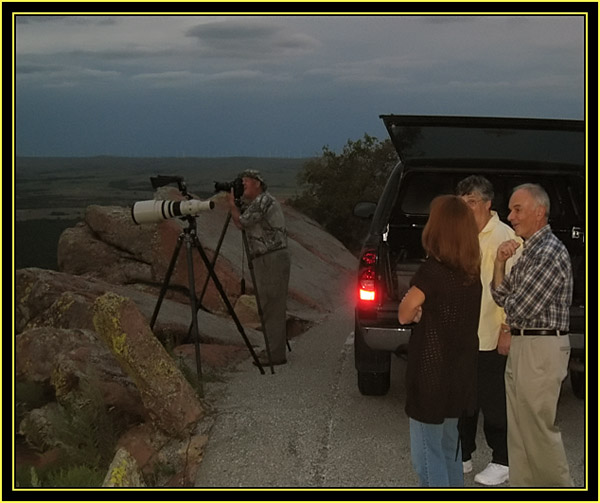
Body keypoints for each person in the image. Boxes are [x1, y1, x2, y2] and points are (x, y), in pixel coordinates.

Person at [491, 183, 573, 487]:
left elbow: (520, 307)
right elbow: (501, 295)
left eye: (517, 209)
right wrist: (499, 262)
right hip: (525, 343)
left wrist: (509, 309)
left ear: (540, 212)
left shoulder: (549, 252)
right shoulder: (529, 251)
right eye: (511, 209)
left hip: (541, 345)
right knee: (520, 428)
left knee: (538, 430)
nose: (510, 216)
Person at [398, 195, 482, 487]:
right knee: (450, 449)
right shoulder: (471, 275)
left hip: (431, 378)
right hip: (459, 377)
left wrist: (419, 314)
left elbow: (404, 313)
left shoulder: (432, 271)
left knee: (427, 454)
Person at [455, 176, 522, 486]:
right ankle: (464, 454)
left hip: (491, 332)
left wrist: (508, 329)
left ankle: (503, 460)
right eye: (462, 203)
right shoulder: (460, 234)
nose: (465, 209)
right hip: (462, 333)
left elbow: (516, 291)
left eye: (471, 203)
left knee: (493, 400)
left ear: (486, 204)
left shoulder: (507, 238)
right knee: (463, 397)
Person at [227, 170, 290, 366]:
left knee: (271, 305)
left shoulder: (264, 201)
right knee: (268, 305)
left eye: (245, 181)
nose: (242, 184)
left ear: (258, 183)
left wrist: (231, 205)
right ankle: (274, 348)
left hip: (271, 258)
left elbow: (242, 221)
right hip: (267, 258)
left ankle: (275, 354)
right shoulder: (259, 202)